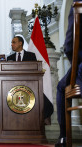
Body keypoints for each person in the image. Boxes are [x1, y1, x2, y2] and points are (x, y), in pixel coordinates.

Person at [55, 0, 82, 146]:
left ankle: (63, 137)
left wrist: (75, 66)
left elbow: (70, 44)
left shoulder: (77, 4)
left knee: (61, 87)